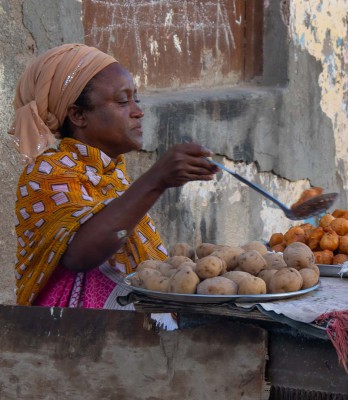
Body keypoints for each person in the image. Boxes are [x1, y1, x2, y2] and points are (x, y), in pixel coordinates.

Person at [9, 43, 219, 308]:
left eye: (136, 99)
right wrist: (156, 180)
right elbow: (81, 255)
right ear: (78, 115)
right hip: (71, 337)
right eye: (122, 101)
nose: (137, 111)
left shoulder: (111, 174)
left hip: (123, 332)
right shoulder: (47, 172)